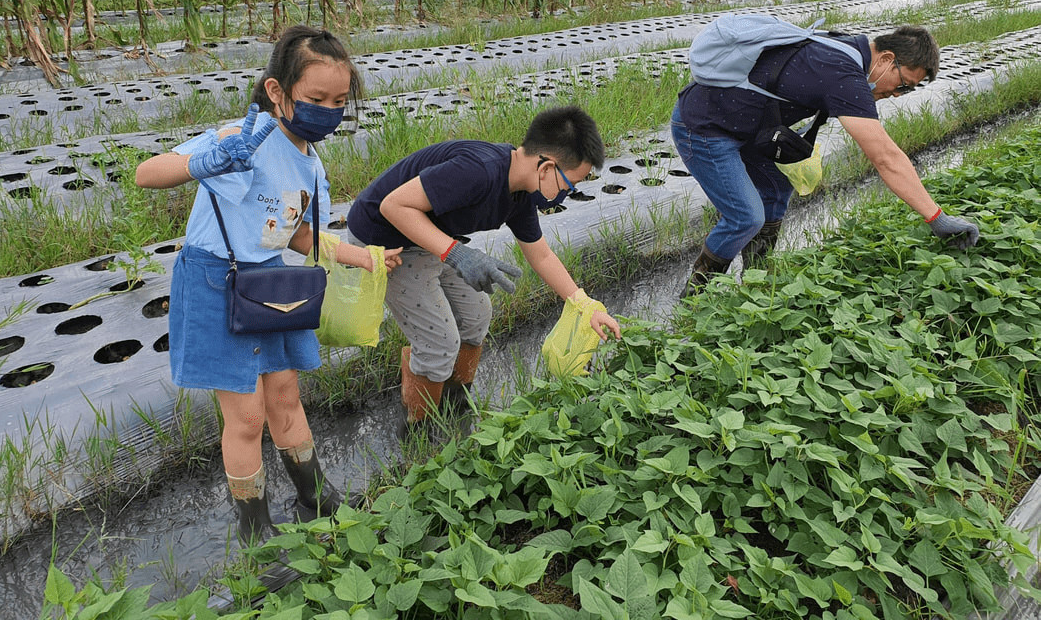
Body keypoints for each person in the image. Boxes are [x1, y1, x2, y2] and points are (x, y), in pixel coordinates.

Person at [135, 25, 401, 543]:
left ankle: (314, 497)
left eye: (340, 100)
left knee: (284, 399)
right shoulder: (243, 139)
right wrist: (200, 162)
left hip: (271, 285)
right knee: (247, 415)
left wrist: (362, 258)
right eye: (316, 98)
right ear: (277, 92)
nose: (329, 109)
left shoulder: (309, 158)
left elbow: (297, 234)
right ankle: (255, 531)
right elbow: (148, 173)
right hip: (216, 280)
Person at [346, 105, 622, 431]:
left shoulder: (521, 192)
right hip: (385, 240)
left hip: (427, 239)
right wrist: (458, 255)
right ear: (546, 167)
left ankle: (455, 403)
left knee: (477, 314)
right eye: (569, 184)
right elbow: (392, 206)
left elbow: (541, 255)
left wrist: (584, 304)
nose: (568, 192)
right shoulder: (478, 171)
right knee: (439, 341)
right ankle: (418, 431)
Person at [671, 22, 980, 297]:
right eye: (903, 85)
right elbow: (885, 157)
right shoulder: (842, 73)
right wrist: (936, 218)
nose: (898, 94)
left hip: (743, 126)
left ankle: (756, 285)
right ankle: (695, 297)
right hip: (703, 127)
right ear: (886, 59)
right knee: (746, 217)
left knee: (776, 191)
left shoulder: (847, 50)